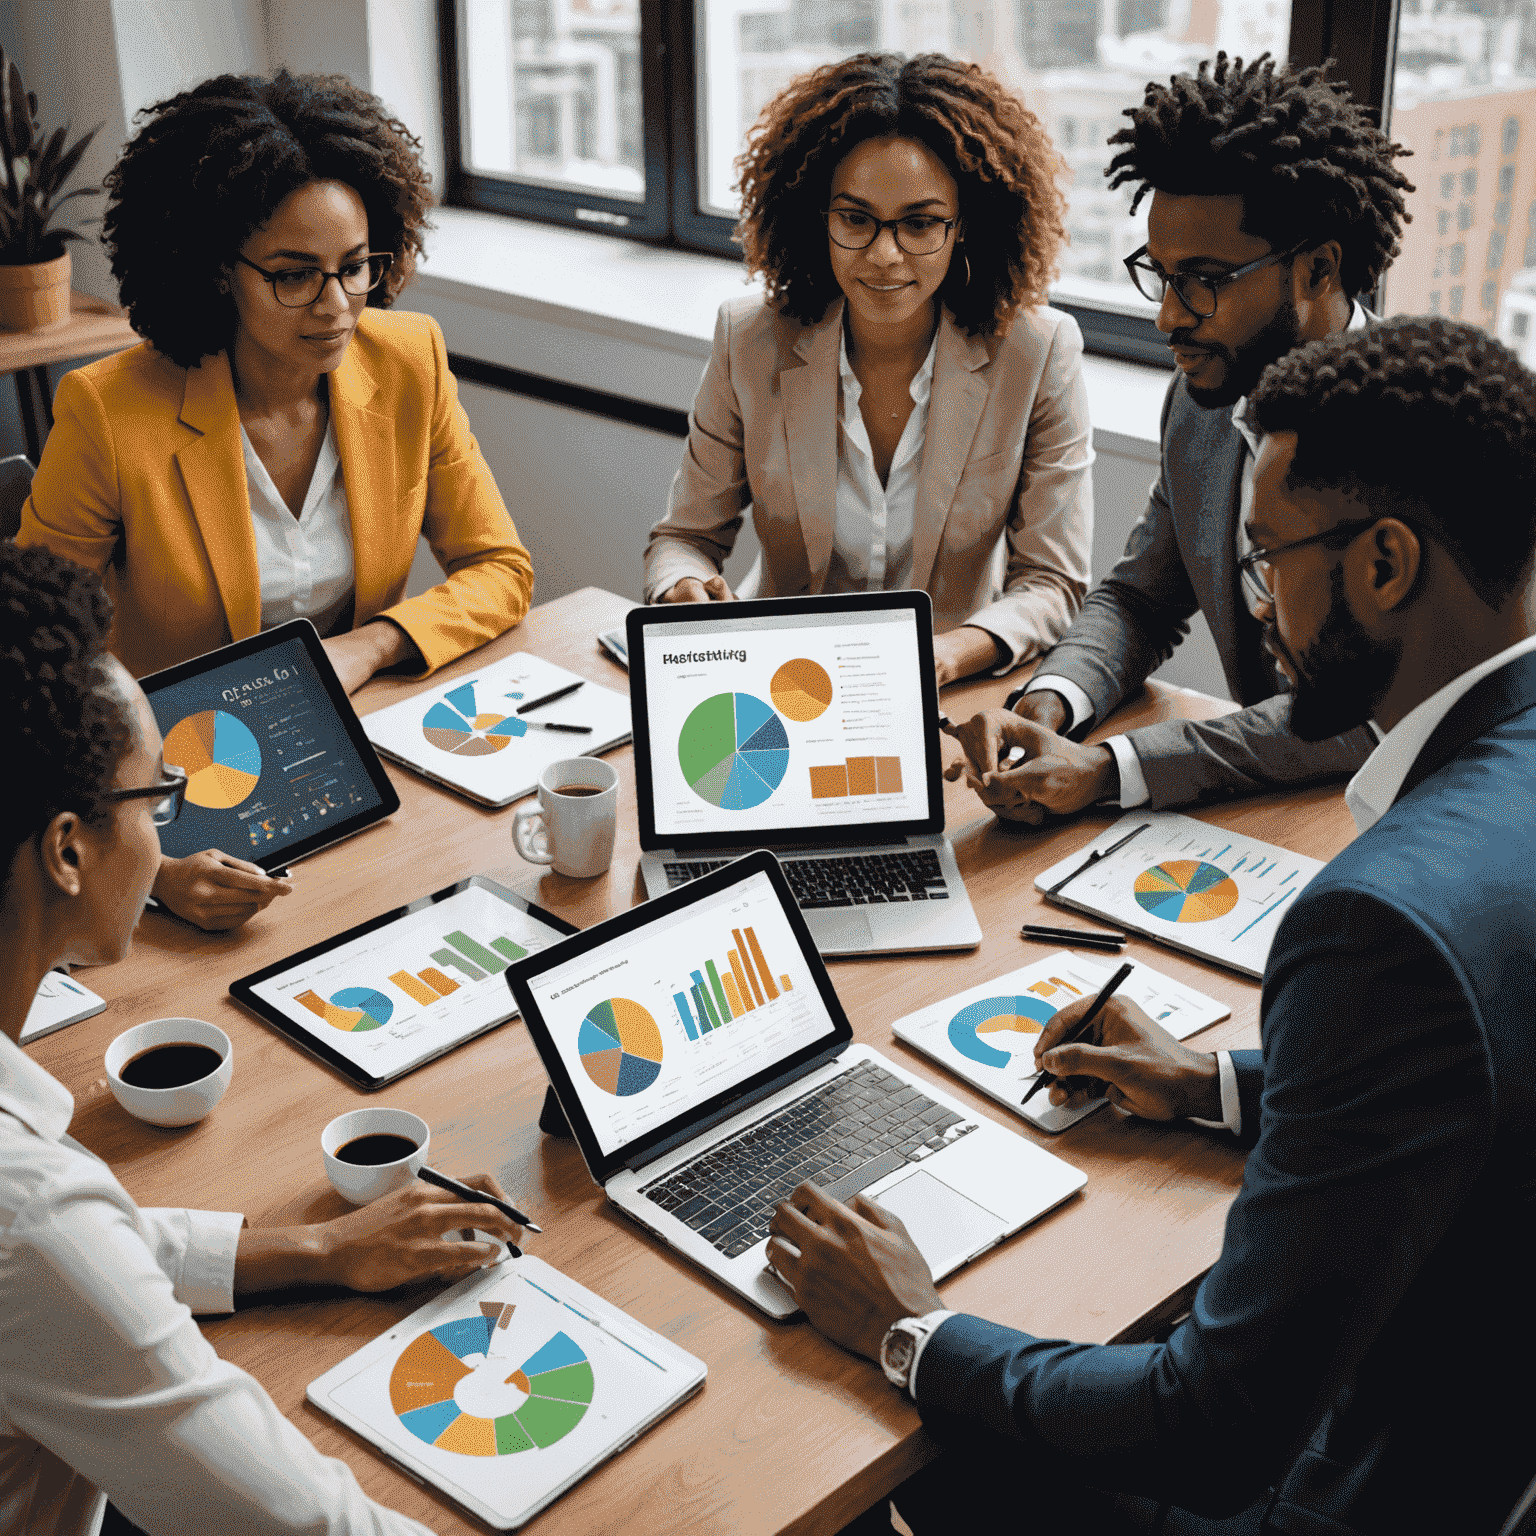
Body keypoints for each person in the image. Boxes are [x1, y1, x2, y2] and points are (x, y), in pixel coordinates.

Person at [766, 318, 1536, 1534]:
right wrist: (1219, 1084)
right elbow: (1485, 1064)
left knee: (876, 1448)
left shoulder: (1381, 922)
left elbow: (1213, 1431)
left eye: (1269, 556)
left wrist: (912, 1328)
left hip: (1360, 1495)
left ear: (1385, 565)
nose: (1260, 604)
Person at [0, 542, 532, 1535]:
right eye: (156, 794)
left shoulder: (37, 1227)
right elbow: (307, 1526)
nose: (166, 831)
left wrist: (314, 1246)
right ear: (68, 850)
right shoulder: (28, 1219)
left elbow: (77, 1263)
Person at [18, 70, 535, 930]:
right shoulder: (109, 413)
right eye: (294, 276)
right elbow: (31, 676)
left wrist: (368, 647)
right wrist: (151, 869)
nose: (337, 308)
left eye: (356, 268)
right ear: (218, 269)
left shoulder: (408, 360)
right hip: (168, 797)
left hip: (351, 762)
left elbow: (500, 569)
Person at [948, 53, 1411, 821]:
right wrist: (1049, 707)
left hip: (1406, 821)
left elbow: (1367, 709)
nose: (1168, 317)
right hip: (1260, 812)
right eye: (1159, 275)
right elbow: (1140, 599)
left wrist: (1109, 768)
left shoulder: (1422, 431)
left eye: (1203, 280)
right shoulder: (1203, 406)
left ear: (1319, 269)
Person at [642, 51, 1093, 689]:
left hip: (951, 684)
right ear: (814, 216)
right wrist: (683, 586)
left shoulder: (1039, 351)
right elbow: (684, 536)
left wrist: (947, 656)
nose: (885, 255)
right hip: (781, 680)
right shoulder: (750, 339)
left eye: (920, 224)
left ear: (967, 226)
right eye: (856, 219)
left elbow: (1053, 582)